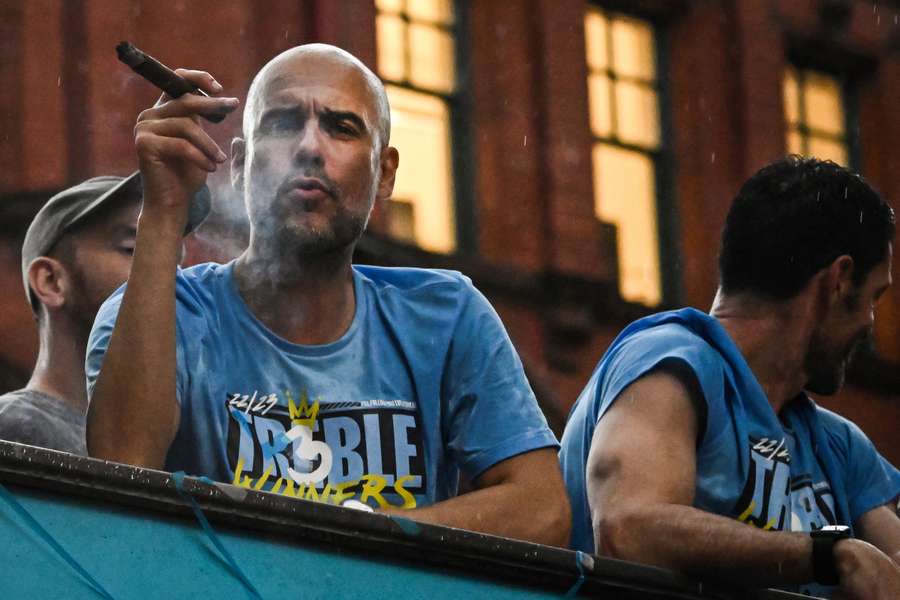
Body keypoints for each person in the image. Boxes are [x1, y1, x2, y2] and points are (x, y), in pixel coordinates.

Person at [85, 44, 570, 546]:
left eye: (341, 127)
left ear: (385, 173)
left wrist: (345, 540)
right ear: (240, 165)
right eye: (283, 123)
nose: (310, 147)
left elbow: (542, 509)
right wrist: (164, 214)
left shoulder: (444, 317)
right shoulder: (164, 315)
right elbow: (122, 477)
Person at [559, 156, 900, 598]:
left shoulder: (838, 445)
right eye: (874, 297)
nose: (870, 323)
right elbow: (628, 529)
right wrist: (826, 554)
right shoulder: (671, 361)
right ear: (838, 280)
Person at [0, 175, 207, 454]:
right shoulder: (15, 427)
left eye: (175, 262)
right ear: (51, 281)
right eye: (134, 250)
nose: (171, 277)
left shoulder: (172, 445)